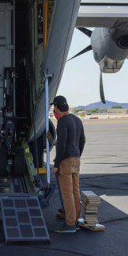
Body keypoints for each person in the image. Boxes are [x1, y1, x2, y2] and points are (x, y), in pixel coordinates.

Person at [50, 95, 85, 233]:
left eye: (54, 107)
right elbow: (83, 140)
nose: (54, 110)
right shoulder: (77, 119)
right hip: (76, 159)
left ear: (57, 107)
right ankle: (75, 220)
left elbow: (61, 145)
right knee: (75, 192)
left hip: (65, 161)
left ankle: (69, 224)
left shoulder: (63, 121)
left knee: (67, 193)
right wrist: (77, 156)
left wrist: (57, 164)